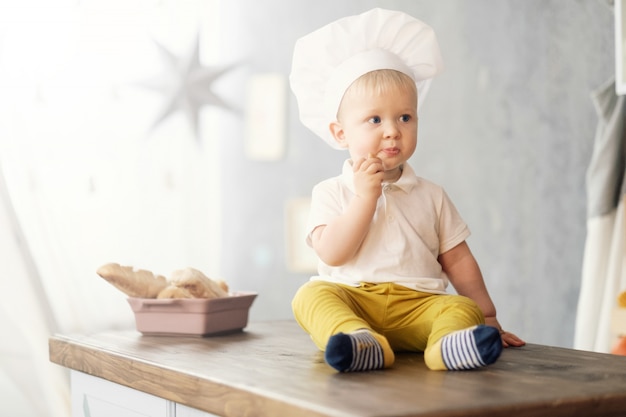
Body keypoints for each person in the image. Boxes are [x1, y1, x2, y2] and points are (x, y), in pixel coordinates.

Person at [289, 8, 525, 373]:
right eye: (374, 119)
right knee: (310, 296)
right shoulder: (330, 192)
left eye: (405, 117)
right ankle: (357, 340)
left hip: (420, 304)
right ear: (340, 133)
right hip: (355, 299)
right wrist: (365, 197)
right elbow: (333, 254)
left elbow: (459, 261)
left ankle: (447, 348)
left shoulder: (431, 195)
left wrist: (489, 315)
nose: (392, 131)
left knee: (463, 308)